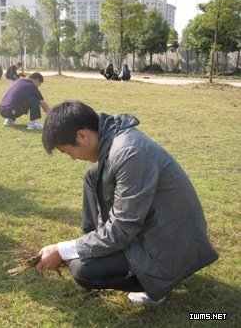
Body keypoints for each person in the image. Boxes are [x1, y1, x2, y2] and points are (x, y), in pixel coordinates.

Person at [36, 100, 218, 305]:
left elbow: (122, 229)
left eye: (68, 152)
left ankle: (157, 285)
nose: (72, 158)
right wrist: (82, 246)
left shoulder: (129, 152)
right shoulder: (113, 138)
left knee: (84, 271)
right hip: (156, 225)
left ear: (82, 136)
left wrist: (63, 249)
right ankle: (93, 244)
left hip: (172, 242)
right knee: (92, 176)